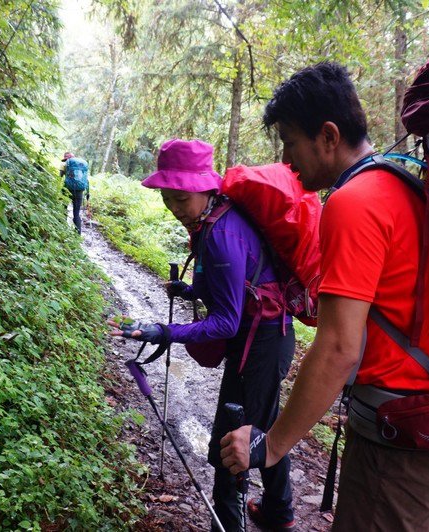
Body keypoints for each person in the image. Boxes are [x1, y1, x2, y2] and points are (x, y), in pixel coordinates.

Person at [219, 62, 429, 531]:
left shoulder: (353, 203)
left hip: (398, 448)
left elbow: (339, 348)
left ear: (329, 135)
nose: (286, 157)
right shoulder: (406, 184)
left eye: (291, 140)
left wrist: (271, 443)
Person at [108, 138, 296, 531]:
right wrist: (191, 291)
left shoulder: (222, 233)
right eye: (167, 198)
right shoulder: (216, 220)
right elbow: (240, 286)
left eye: (180, 198)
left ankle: (228, 522)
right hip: (266, 339)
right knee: (266, 425)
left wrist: (164, 332)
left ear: (206, 188)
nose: (174, 208)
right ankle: (279, 510)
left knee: (232, 446)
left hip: (258, 346)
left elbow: (227, 321)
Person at [62, 151, 89, 234]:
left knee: (63, 209)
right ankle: (78, 234)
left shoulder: (65, 164)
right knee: (76, 214)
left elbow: (60, 175)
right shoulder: (81, 165)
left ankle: (61, 229)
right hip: (79, 191)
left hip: (67, 189)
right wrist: (88, 193)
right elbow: (86, 180)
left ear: (67, 158)